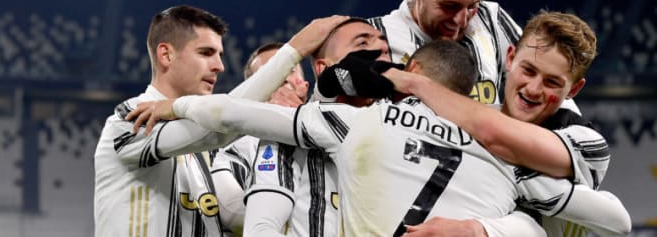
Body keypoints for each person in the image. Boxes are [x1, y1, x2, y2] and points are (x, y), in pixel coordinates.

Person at [124, 40, 630, 237]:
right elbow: (612, 221)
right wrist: (480, 231)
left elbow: (232, 113)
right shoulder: (505, 149)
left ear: (408, 71)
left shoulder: (349, 123)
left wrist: (175, 105)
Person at [93, 6, 345, 237]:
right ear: (166, 55)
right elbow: (218, 127)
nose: (220, 66)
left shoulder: (214, 155)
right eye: (206, 53)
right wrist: (293, 51)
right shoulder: (127, 121)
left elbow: (242, 219)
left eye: (220, 55)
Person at [380, 11, 609, 237]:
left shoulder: (588, 145)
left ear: (574, 89)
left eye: (551, 82)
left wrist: (414, 83)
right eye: (528, 70)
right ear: (510, 58)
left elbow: (617, 221)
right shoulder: (465, 116)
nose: (533, 89)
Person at [243, 18, 393, 237]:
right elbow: (260, 231)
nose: (381, 49)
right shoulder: (288, 137)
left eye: (384, 46)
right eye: (362, 44)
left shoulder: (408, 128)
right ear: (325, 68)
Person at [370, 0, 520, 106]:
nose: (461, 21)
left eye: (472, 6)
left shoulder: (491, 18)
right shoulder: (373, 36)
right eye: (449, 6)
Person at [210, 42, 309, 234]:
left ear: (305, 86)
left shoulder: (332, 134)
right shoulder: (232, 155)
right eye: (268, 73)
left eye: (289, 69)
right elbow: (234, 215)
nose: (281, 77)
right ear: (253, 93)